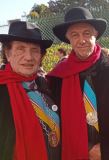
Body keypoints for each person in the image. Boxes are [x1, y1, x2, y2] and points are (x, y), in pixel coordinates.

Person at [47, 7, 109, 160]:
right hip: (77, 152)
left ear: (95, 35)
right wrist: (87, 147)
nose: (81, 40)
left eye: (87, 33)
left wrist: (107, 149)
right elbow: (59, 121)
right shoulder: (58, 77)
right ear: (68, 37)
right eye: (75, 35)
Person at [0, 21, 61, 159]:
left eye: (34, 50)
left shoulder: (47, 86)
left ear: (41, 56)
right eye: (20, 48)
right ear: (8, 53)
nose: (28, 57)